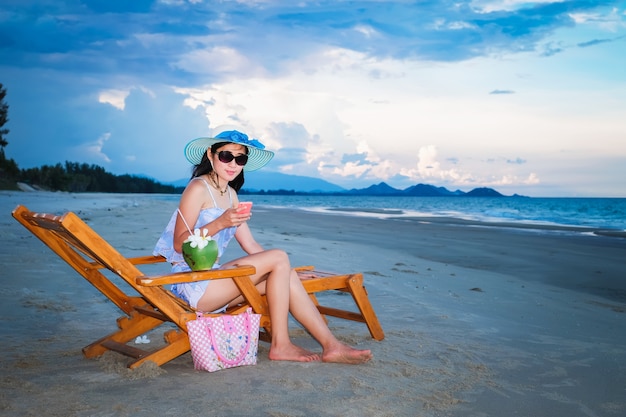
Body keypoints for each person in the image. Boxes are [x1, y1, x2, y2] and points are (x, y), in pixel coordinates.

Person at [154, 130, 372, 364]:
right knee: (279, 256)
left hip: (213, 280)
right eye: (226, 156)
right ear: (211, 154)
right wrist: (220, 223)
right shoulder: (198, 188)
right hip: (193, 284)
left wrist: (290, 270)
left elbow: (250, 244)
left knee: (285, 273)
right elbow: (179, 243)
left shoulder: (231, 195)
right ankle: (281, 344)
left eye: (240, 159)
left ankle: (331, 346)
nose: (233, 164)